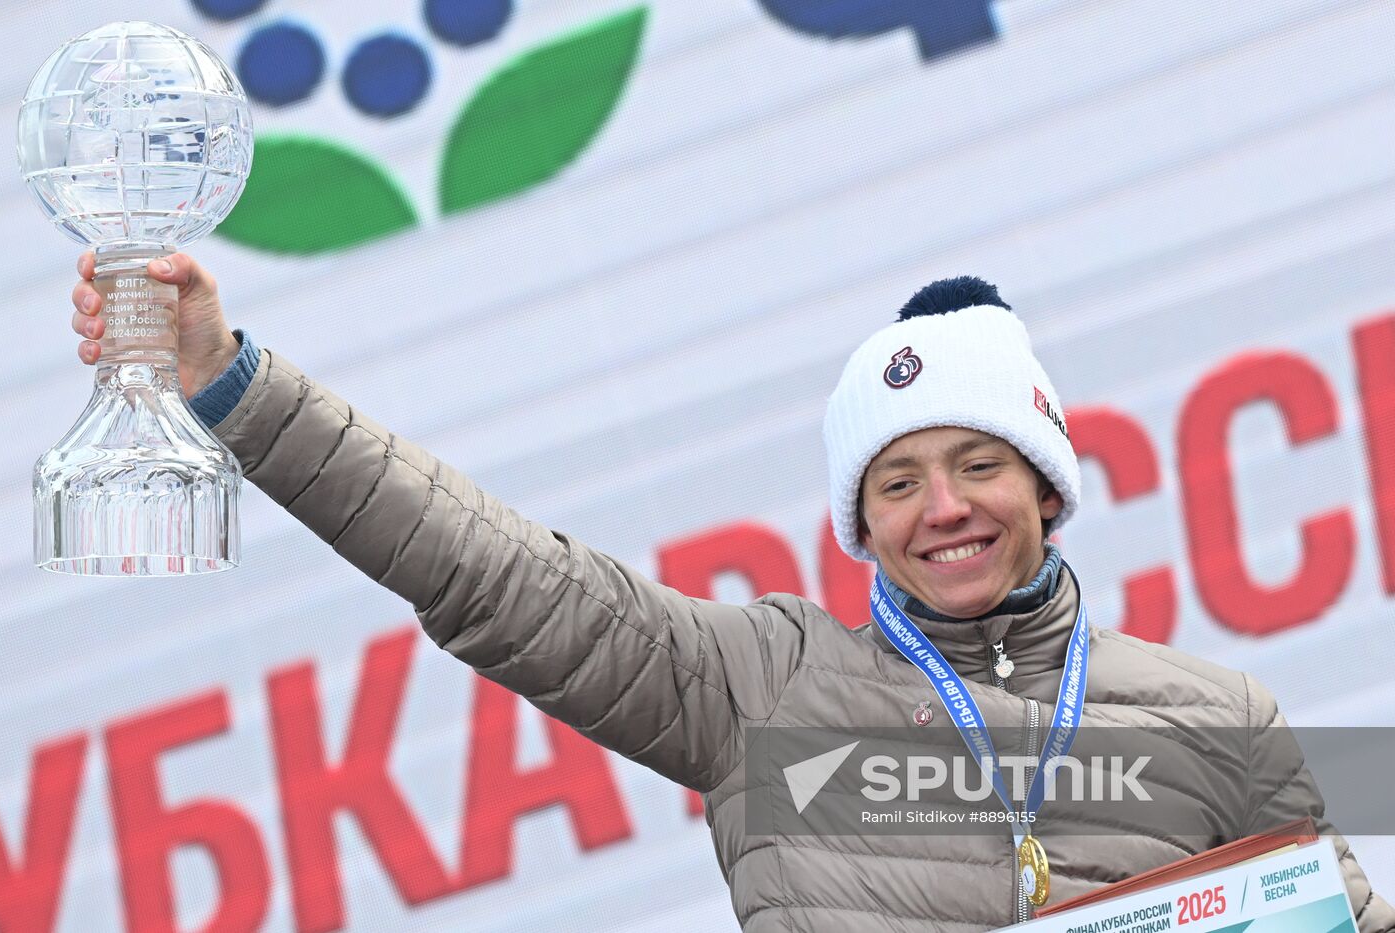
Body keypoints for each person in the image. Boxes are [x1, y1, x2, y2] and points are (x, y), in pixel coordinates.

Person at [69, 254, 1394, 931]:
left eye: (981, 463)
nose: (944, 508)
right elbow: (497, 576)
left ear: (1048, 487)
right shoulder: (759, 691)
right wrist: (234, 384)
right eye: (897, 483)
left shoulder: (1220, 716)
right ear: (860, 527)